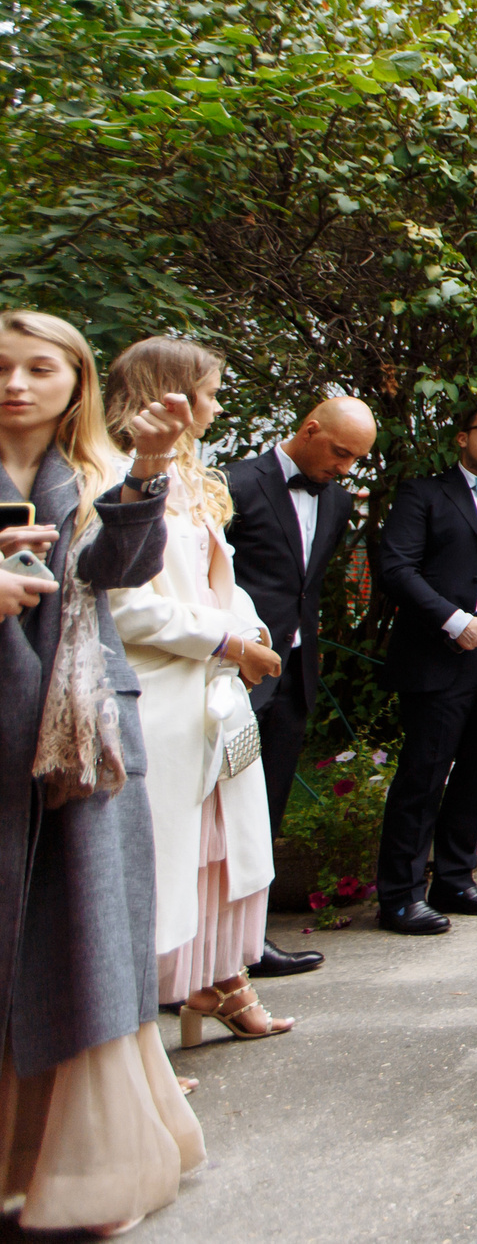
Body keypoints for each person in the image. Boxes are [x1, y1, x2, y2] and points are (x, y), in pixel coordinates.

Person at [0, 311, 202, 1233]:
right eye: (2, 367)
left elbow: (120, 569)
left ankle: (86, 1169)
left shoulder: (86, 478)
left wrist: (150, 471)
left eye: (39, 368)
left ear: (76, 382)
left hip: (83, 740)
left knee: (85, 938)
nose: (15, 384)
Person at [102, 339, 293, 1049]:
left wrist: (249, 629)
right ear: (170, 394)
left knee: (219, 856)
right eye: (209, 392)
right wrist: (226, 640)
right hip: (157, 697)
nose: (216, 407)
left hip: (213, 697)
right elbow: (123, 605)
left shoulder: (194, 480)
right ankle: (135, 1050)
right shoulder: (116, 477)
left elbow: (224, 580)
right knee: (161, 864)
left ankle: (217, 982)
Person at [222, 393, 372, 979]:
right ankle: (193, 954)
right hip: (231, 674)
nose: (344, 469)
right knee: (217, 811)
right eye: (339, 453)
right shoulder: (234, 484)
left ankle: (250, 942)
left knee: (268, 808)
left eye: (355, 459)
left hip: (293, 674)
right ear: (309, 430)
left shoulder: (334, 499)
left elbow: (309, 588)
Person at [372, 403, 477, 937]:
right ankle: (400, 896)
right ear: (463, 438)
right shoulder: (424, 495)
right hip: (443, 653)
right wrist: (454, 621)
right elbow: (395, 567)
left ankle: (454, 879)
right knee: (423, 775)